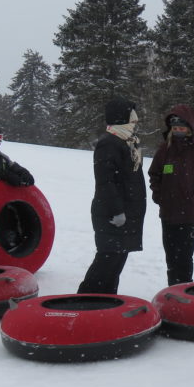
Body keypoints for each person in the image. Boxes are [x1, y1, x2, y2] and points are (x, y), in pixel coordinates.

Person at [77, 98, 147, 294]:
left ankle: (106, 302)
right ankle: (85, 301)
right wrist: (117, 211)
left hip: (126, 212)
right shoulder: (109, 144)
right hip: (112, 214)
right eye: (132, 121)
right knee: (106, 261)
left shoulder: (128, 142)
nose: (135, 125)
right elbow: (105, 182)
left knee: (116, 262)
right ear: (122, 120)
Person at [147, 105, 194, 285]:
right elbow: (154, 175)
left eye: (182, 128)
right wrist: (159, 196)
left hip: (191, 216)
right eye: (175, 128)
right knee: (171, 258)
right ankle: (172, 292)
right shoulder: (165, 149)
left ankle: (185, 294)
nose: (178, 131)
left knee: (184, 258)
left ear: (190, 128)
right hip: (168, 213)